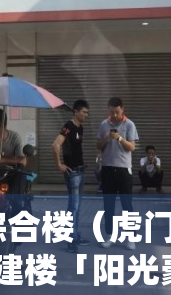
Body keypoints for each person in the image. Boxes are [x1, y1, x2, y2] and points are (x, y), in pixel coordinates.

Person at [96, 97, 139, 250]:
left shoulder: (129, 124)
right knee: (108, 204)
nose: (114, 115)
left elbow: (132, 147)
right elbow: (98, 145)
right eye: (111, 112)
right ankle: (110, 236)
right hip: (107, 169)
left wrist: (120, 138)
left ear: (122, 109)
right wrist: (107, 138)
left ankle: (131, 237)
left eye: (117, 112)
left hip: (123, 169)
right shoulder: (104, 124)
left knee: (127, 204)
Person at [51, 99, 91, 254]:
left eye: (87, 112)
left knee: (77, 206)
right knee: (73, 206)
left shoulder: (80, 128)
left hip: (80, 170)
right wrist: (59, 165)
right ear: (76, 111)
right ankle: (71, 239)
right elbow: (56, 145)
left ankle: (74, 234)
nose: (86, 115)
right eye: (84, 112)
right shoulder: (68, 126)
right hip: (72, 173)